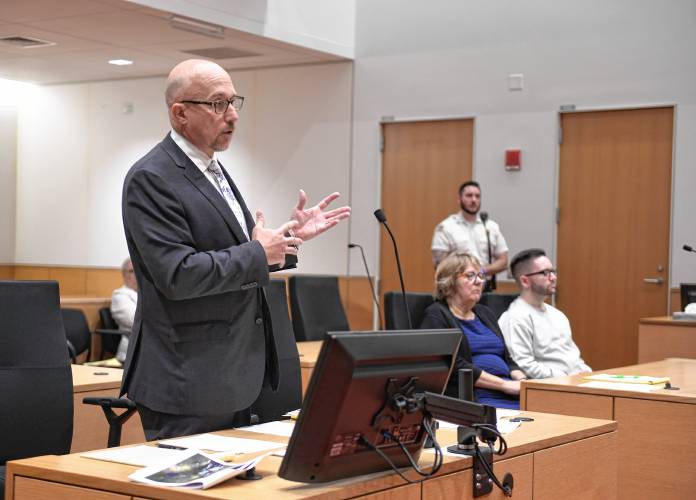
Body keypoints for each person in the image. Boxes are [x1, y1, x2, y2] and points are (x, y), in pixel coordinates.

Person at [120, 59, 350, 440]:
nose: (232, 115)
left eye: (233, 102)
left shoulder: (213, 169)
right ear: (180, 113)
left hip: (233, 371)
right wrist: (259, 253)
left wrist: (288, 241)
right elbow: (178, 274)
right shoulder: (151, 177)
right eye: (217, 104)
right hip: (188, 379)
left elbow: (237, 252)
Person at [420, 252, 526, 409]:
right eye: (470, 275)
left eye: (481, 275)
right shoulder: (437, 315)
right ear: (449, 282)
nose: (479, 281)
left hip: (510, 391)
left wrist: (523, 381)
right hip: (475, 398)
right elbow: (453, 366)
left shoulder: (485, 313)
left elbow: (507, 358)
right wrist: (504, 385)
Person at [499, 248, 591, 379]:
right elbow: (523, 364)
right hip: (549, 388)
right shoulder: (515, 318)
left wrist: (586, 372)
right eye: (545, 273)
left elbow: (573, 357)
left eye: (553, 271)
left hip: (574, 382)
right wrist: (565, 377)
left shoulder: (558, 315)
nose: (553, 278)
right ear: (525, 281)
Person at [431, 180, 508, 291]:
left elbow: (503, 261)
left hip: (485, 288)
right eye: (469, 196)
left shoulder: (491, 227)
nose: (473, 200)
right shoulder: (446, 227)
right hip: (456, 288)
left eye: (477, 196)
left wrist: (481, 271)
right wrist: (467, 273)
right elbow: (440, 264)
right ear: (459, 199)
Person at [110, 257, 137, 363]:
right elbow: (135, 320)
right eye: (132, 271)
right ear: (124, 274)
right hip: (131, 351)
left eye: (139, 270)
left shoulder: (148, 294)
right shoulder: (120, 295)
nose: (136, 275)